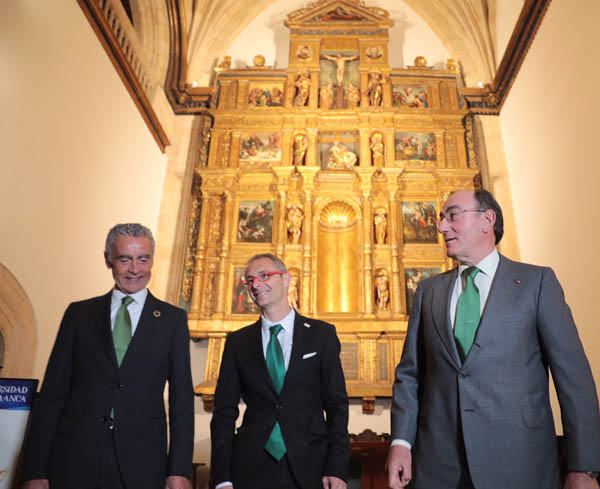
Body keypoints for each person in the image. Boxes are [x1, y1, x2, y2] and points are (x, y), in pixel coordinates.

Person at [386, 189, 600, 489]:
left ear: (487, 220)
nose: (441, 226)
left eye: (453, 215)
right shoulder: (428, 291)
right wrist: (401, 442)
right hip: (438, 469)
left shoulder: (536, 283)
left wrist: (584, 468)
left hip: (519, 464)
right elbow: (409, 376)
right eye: (441, 218)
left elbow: (574, 379)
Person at [20, 223, 194, 489]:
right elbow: (53, 395)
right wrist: (34, 471)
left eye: (143, 259)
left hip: (142, 462)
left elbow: (182, 399)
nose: (135, 269)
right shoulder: (79, 315)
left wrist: (179, 470)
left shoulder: (172, 319)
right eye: (124, 259)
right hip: (74, 458)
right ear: (107, 260)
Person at [211, 253, 349, 489]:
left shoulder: (321, 335)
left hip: (310, 465)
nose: (256, 284)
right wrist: (222, 477)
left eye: (264, 275)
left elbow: (336, 405)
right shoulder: (238, 342)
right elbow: (224, 412)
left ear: (287, 279)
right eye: (250, 280)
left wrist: (337, 468)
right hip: (251, 466)